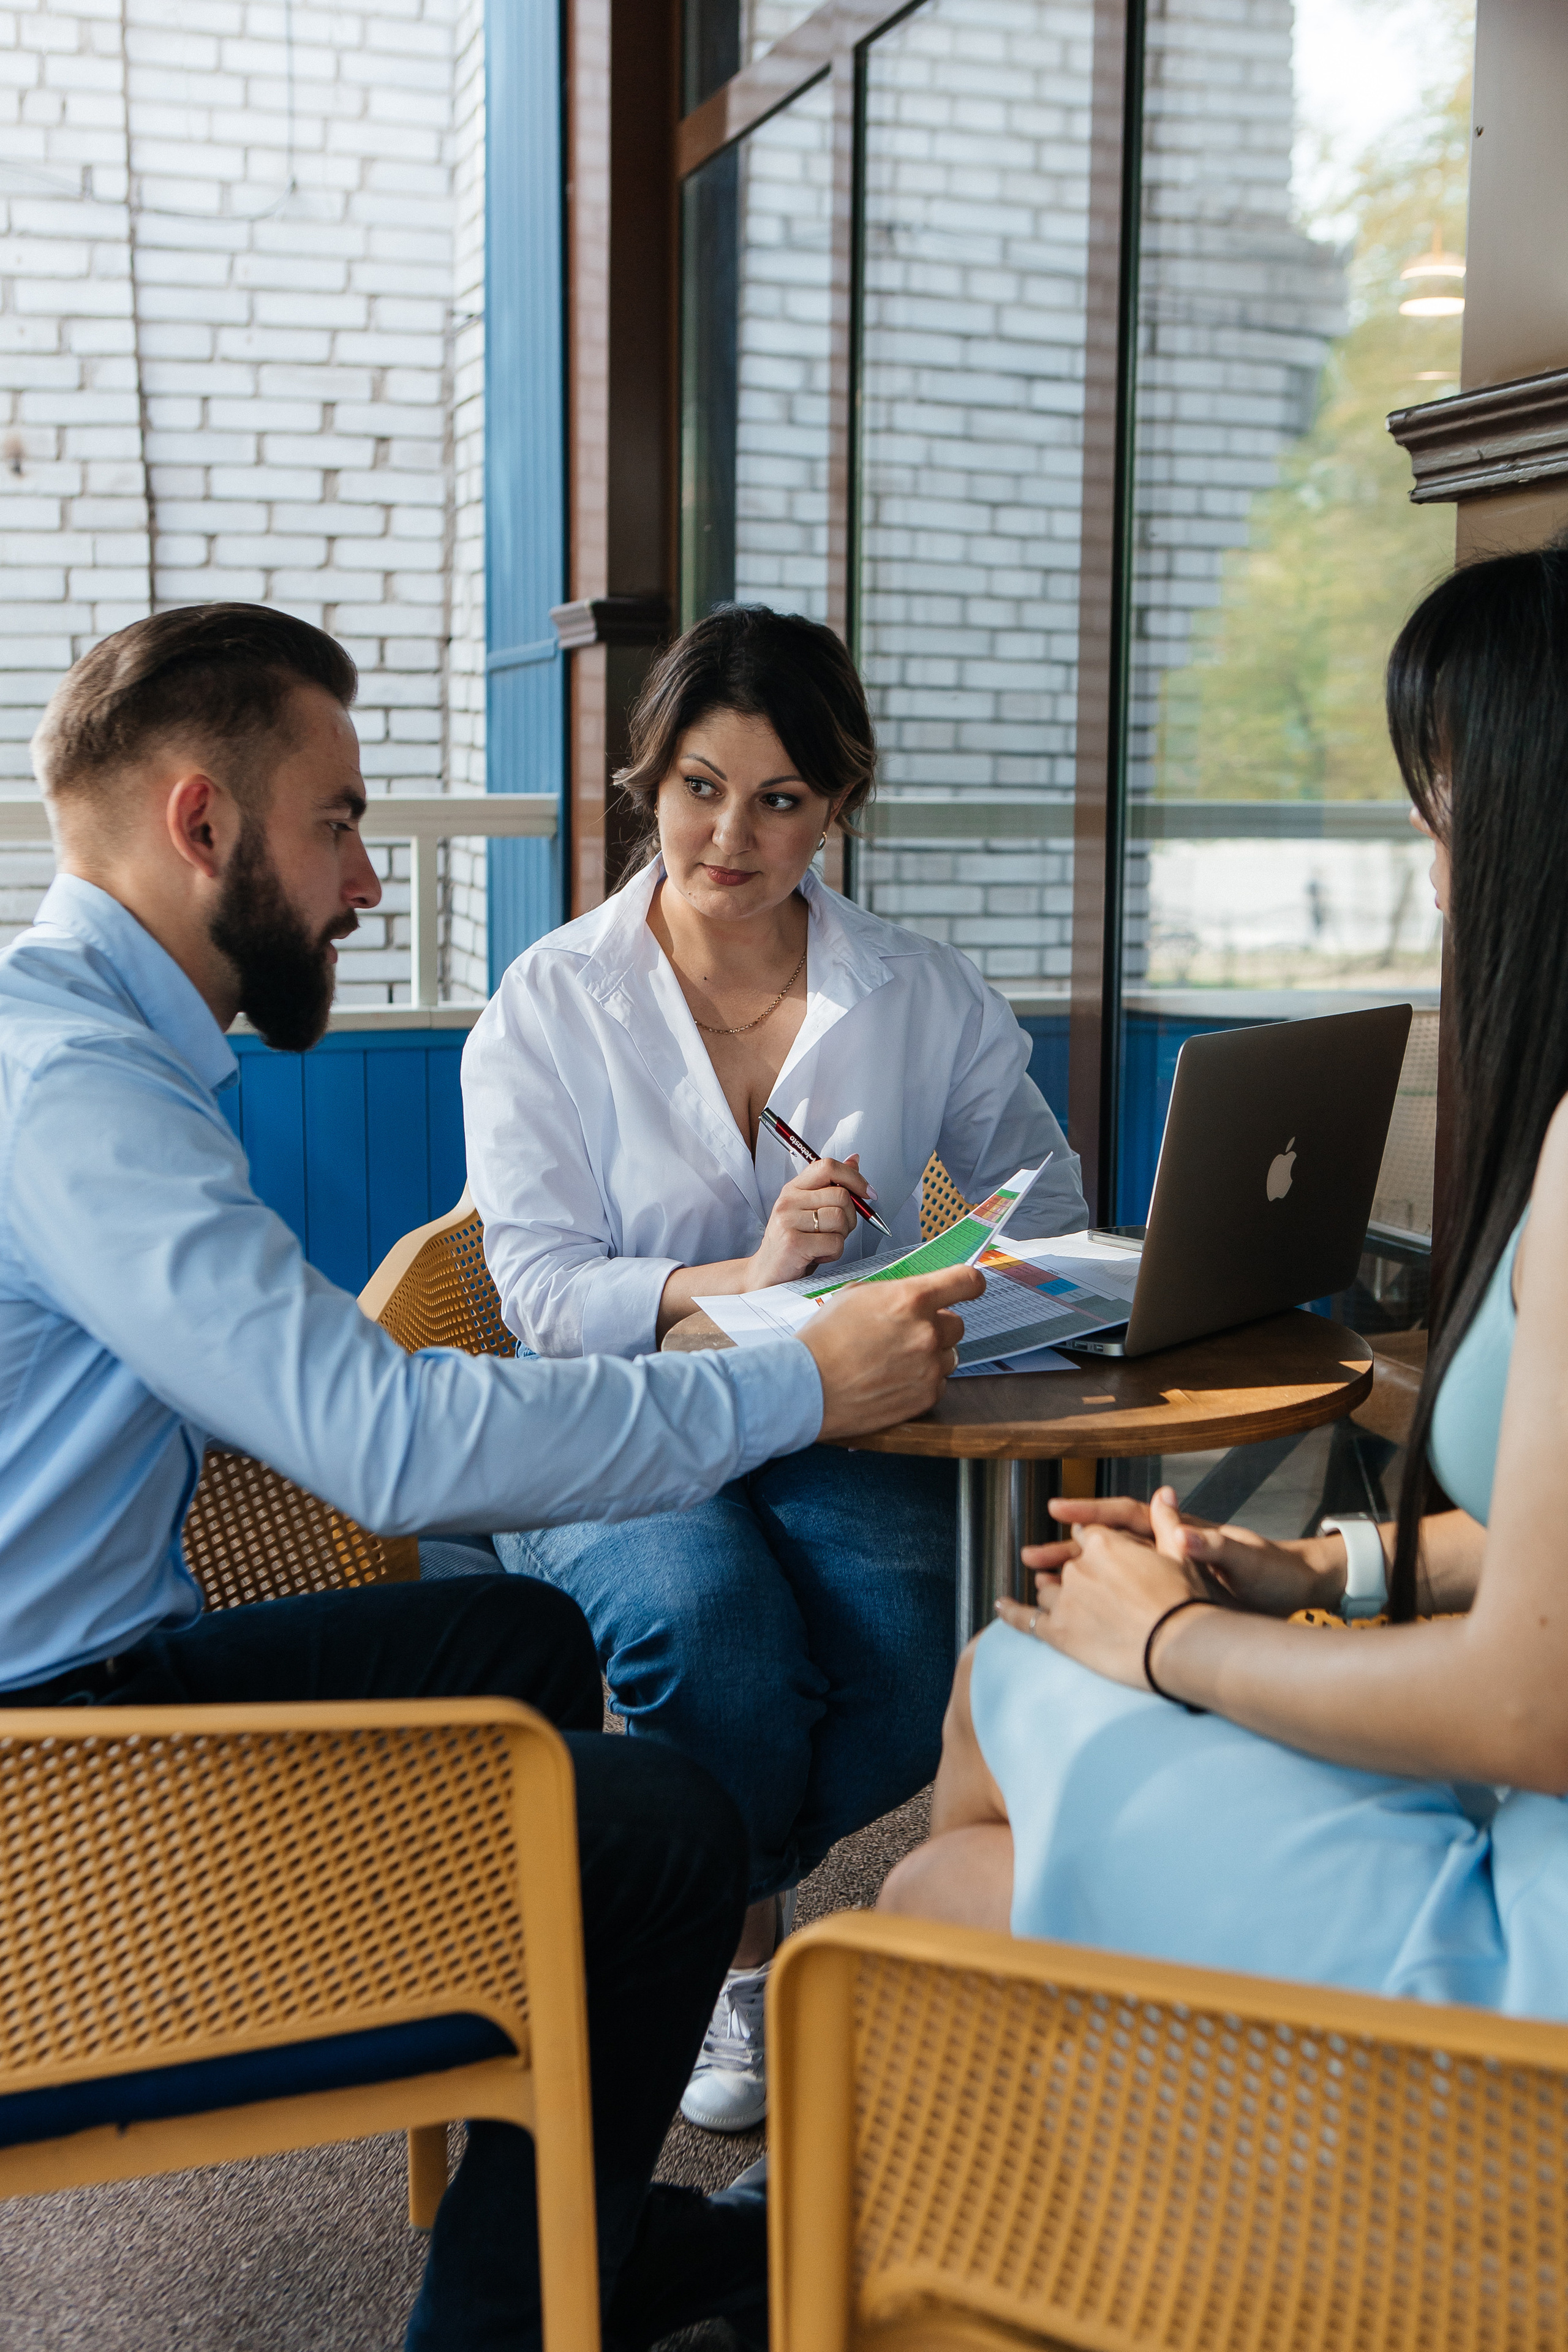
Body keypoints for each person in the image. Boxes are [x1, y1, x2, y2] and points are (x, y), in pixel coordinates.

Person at [0, 602, 981, 2351]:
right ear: (202, 825)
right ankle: (511, 2316)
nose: (370, 881)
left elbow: (322, 1395)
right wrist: (788, 1375)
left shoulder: (89, 1045)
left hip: (90, 1671)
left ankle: (561, 2244)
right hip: (62, 1788)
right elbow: (384, 1439)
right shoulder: (72, 1090)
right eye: (344, 822)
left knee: (525, 1648)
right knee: (670, 1833)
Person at [881, 542, 1568, 2022]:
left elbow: (1531, 1699)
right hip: (1520, 1832)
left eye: (1438, 783)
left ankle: (1108, 2201)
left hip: (1530, 1957)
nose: (1419, 830)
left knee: (955, 1850)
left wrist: (1174, 1641)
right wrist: (1317, 1572)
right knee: (1011, 1677)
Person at [462, 605, 1087, 2131]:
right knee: (710, 1624)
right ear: (646, 780)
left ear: (836, 803)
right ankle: (739, 1957)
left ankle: (676, 1899)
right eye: (694, 784)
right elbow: (536, 1290)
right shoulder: (551, 998)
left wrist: (911, 1268)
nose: (726, 834)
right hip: (615, 1423)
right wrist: (736, 1279)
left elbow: (1043, 1210)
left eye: (777, 797)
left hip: (834, 1413)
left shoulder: (917, 992)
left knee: (926, 1634)